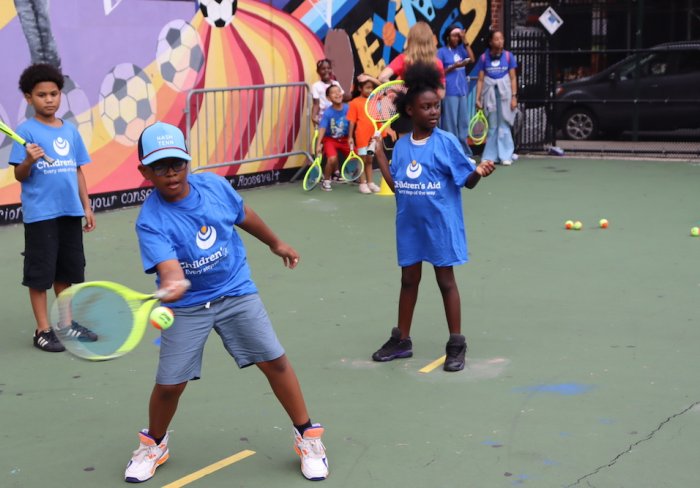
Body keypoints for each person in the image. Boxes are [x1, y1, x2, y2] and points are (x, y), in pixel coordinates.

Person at [125, 122, 328, 483]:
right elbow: (169, 268)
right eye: (160, 166)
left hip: (235, 290)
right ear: (144, 171)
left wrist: (274, 242)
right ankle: (154, 443)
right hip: (187, 306)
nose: (171, 173)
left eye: (177, 163)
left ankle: (307, 436)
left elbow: (243, 214)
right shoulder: (150, 221)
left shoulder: (214, 186)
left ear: (188, 162)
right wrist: (172, 280)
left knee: (275, 362)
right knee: (170, 384)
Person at [370, 62, 495, 372]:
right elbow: (398, 187)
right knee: (408, 280)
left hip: (439, 226)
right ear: (410, 110)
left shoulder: (446, 143)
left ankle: (456, 344)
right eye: (426, 107)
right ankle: (402, 340)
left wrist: (477, 172)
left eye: (435, 106)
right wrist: (380, 156)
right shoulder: (400, 146)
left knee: (445, 281)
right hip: (410, 227)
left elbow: (466, 180)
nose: (433, 112)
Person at [8, 63, 96, 353]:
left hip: (69, 213)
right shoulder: (26, 131)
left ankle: (66, 324)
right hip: (41, 216)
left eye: (54, 93)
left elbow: (78, 171)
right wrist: (29, 160)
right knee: (40, 275)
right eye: (42, 94)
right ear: (28, 98)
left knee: (66, 273)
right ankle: (42, 330)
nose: (49, 99)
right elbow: (20, 175)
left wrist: (87, 205)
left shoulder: (70, 131)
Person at [378, 21, 446, 137]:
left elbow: (382, 77)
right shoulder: (437, 63)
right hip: (427, 112)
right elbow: (441, 93)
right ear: (430, 40)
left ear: (411, 39)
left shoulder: (404, 59)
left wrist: (401, 90)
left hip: (406, 110)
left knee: (404, 149)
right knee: (425, 149)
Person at [474, 29, 518, 165]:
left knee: (504, 124)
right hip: (490, 95)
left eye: (502, 38)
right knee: (492, 126)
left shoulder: (509, 56)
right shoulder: (483, 58)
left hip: (505, 95)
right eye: (497, 39)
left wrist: (514, 97)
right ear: (491, 41)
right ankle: (490, 156)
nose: (500, 41)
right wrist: (478, 98)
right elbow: (481, 80)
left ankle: (506, 155)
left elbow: (512, 78)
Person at [347, 73, 396, 194]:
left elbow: (384, 89)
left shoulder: (376, 99)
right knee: (362, 159)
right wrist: (350, 136)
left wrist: (370, 78)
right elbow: (352, 121)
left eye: (371, 87)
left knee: (370, 159)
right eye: (367, 87)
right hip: (362, 136)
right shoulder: (354, 102)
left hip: (373, 135)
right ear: (359, 88)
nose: (370, 90)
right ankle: (362, 183)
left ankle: (370, 182)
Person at [437, 24, 476, 159]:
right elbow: (438, 72)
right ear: (448, 37)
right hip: (449, 92)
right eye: (455, 36)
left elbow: (472, 59)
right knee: (450, 124)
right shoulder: (441, 52)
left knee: (463, 123)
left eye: (459, 36)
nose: (457, 39)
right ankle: (452, 154)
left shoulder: (461, 49)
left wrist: (465, 41)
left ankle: (464, 153)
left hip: (462, 91)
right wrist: (454, 67)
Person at [315, 84, 350, 192]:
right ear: (328, 98)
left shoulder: (348, 108)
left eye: (338, 91)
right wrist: (318, 145)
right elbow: (322, 128)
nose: (337, 94)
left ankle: (356, 178)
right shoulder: (328, 113)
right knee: (332, 158)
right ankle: (326, 181)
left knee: (358, 156)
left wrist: (351, 138)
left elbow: (353, 124)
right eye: (333, 92)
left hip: (345, 139)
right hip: (330, 140)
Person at [310, 58, 344, 126]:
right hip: (324, 117)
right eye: (323, 69)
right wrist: (313, 116)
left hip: (337, 115)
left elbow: (342, 99)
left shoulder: (336, 83)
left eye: (329, 68)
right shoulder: (316, 86)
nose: (326, 70)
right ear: (318, 71)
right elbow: (316, 104)